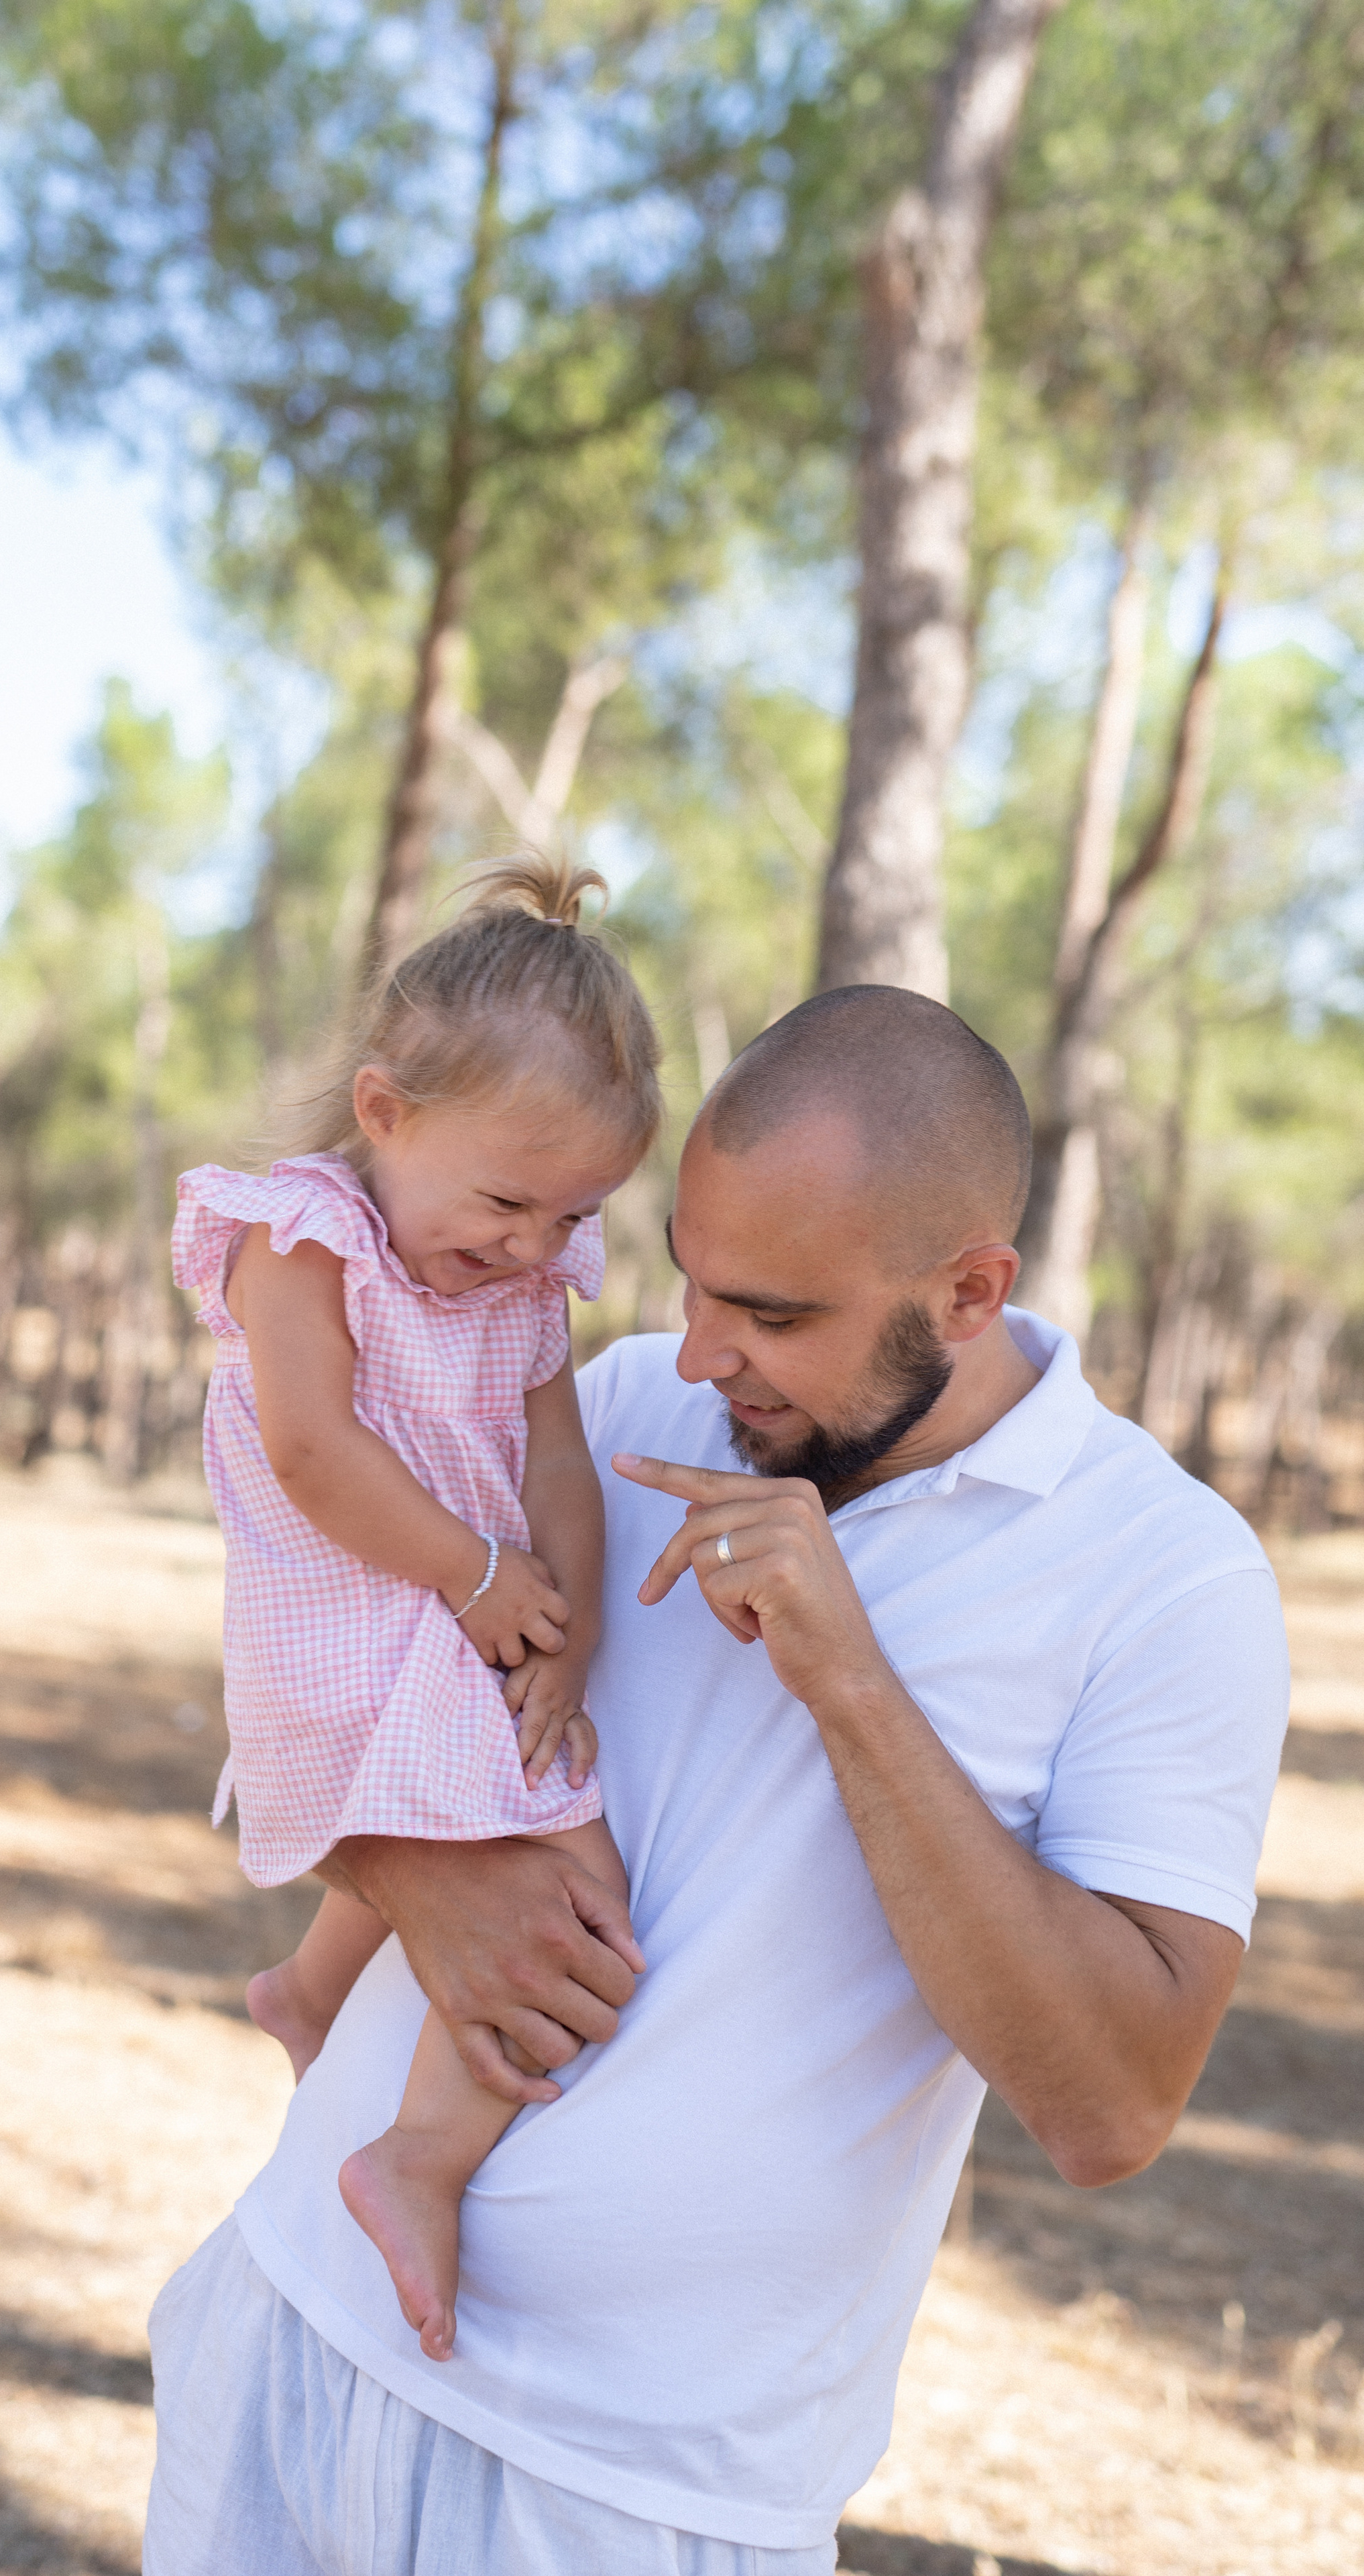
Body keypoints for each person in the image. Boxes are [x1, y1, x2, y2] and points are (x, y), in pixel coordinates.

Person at [146, 985, 1289, 2576]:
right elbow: (324, 1672)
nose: (695, 1355)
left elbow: (1108, 2108)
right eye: (686, 1283)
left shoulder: (1166, 1580)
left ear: (967, 1291)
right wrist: (415, 1881)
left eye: (770, 1314)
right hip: (293, 2335)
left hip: (639, 2496)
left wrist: (850, 1684)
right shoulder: (617, 1415)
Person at [170, 854, 661, 2364]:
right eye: (509, 1199)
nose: (531, 1245)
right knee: (579, 1892)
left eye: (571, 1212)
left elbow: (555, 1459)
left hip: (446, 1615)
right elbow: (313, 1447)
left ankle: (306, 1994)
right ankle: (418, 2160)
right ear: (384, 1111)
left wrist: (565, 1616)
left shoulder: (518, 1283)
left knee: (473, 1812)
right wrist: (475, 1577)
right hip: (348, 1618)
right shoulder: (301, 1235)